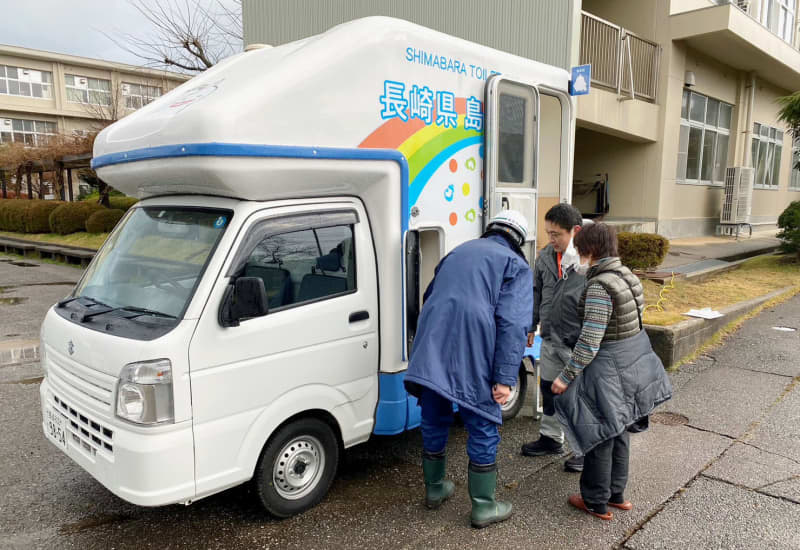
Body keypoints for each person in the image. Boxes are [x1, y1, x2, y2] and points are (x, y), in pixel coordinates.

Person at [404, 210, 533, 529]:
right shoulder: (514, 264)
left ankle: (434, 490)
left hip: (432, 338)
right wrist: (504, 377)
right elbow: (513, 322)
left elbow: (429, 295)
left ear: (491, 230)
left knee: (433, 413)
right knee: (482, 420)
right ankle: (483, 506)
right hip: (474, 343)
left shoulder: (458, 251)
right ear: (518, 240)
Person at [551, 223, 672, 520]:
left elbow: (591, 340)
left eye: (579, 251)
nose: (576, 256)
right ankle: (616, 494)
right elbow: (635, 318)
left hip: (608, 367)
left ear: (590, 251)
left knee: (599, 432)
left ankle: (594, 500)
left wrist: (564, 377)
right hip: (633, 360)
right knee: (620, 428)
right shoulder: (627, 275)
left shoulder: (599, 286)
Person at [520, 204, 587, 473]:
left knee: (579, 398)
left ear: (575, 231)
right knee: (548, 389)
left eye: (557, 234)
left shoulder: (587, 260)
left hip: (577, 343)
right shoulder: (546, 256)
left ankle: (585, 449)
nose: (551, 239)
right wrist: (530, 326)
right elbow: (536, 293)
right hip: (549, 339)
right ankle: (551, 439)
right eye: (548, 233)